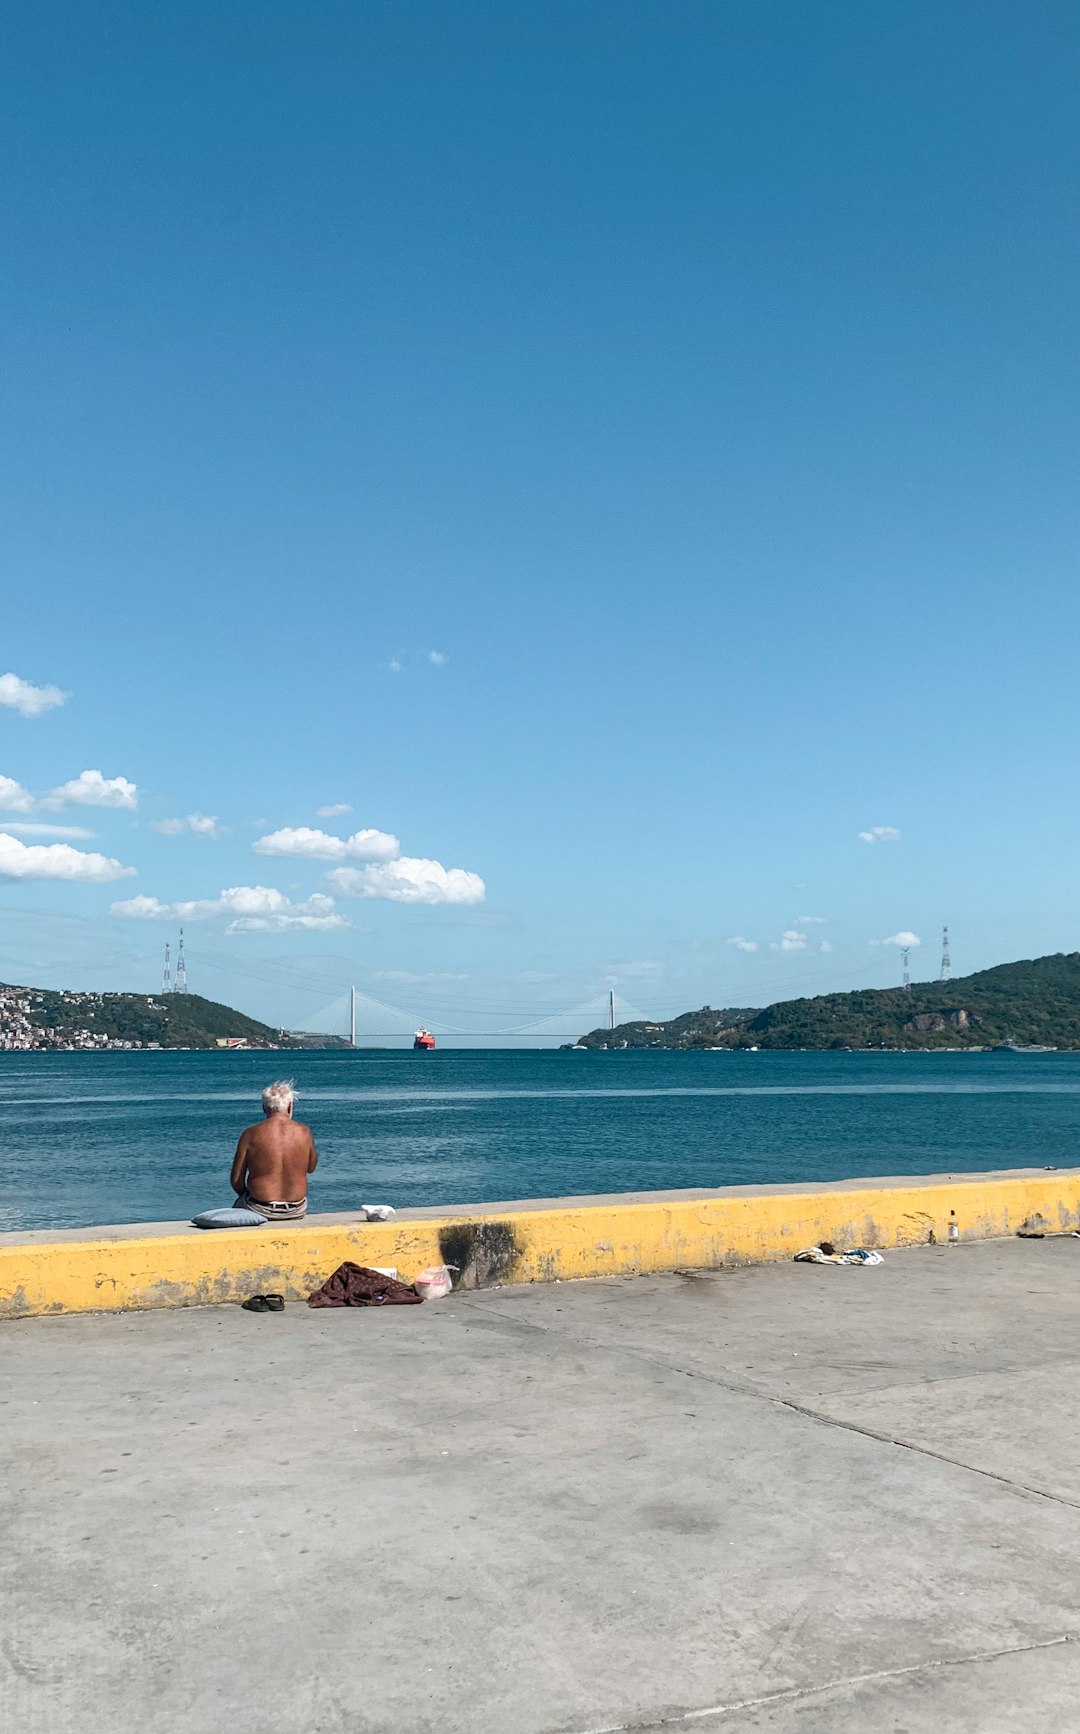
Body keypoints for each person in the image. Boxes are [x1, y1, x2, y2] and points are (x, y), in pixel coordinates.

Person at [229, 1080, 318, 1221]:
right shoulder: (304, 1132)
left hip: (259, 1208)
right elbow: (311, 1168)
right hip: (296, 1209)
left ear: (264, 1107)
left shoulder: (250, 1133)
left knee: (234, 1213)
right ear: (289, 1106)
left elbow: (236, 1181)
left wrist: (247, 1195)